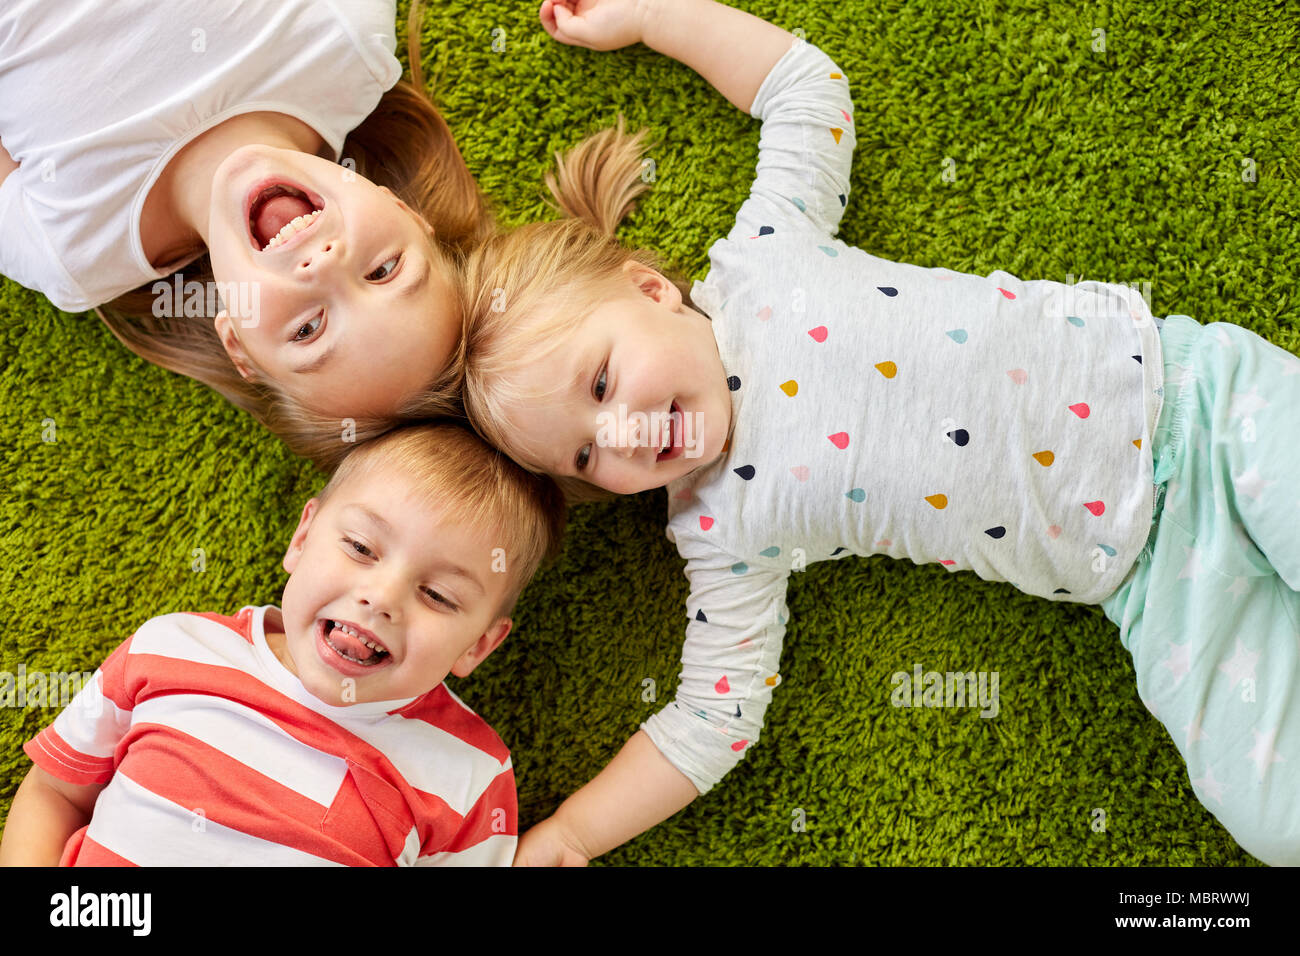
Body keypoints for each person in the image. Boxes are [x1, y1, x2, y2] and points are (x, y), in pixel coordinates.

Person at [457, 0, 1300, 865]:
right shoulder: (718, 529)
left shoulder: (760, 258)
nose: (625, 432)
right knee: (1276, 818)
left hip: (1197, 404)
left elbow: (806, 90)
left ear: (648, 290)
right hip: (1152, 580)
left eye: (602, 382)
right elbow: (714, 716)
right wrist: (571, 835)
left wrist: (652, 15)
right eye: (587, 455)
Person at [0, 423, 566, 866]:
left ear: (479, 647)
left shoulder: (470, 773)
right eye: (361, 548)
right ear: (302, 538)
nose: (381, 597)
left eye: (438, 595)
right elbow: (56, 794)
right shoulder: (176, 648)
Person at [0, 0, 489, 468]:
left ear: (237, 341)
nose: (324, 265)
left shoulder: (72, 253)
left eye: (308, 329)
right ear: (400, 207)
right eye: (383, 270)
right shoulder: (347, 43)